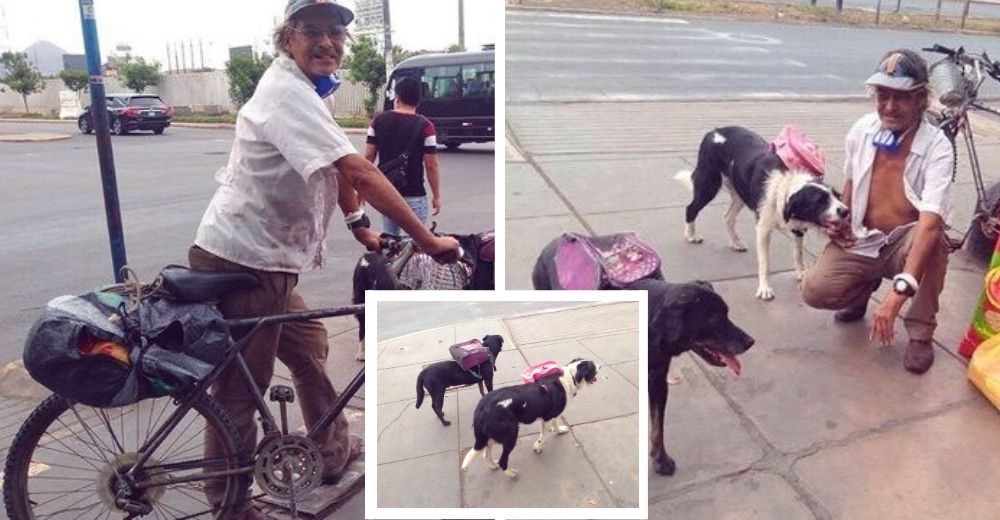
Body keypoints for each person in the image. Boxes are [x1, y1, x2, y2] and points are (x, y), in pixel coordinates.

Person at [187, 1, 459, 516]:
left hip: (267, 259)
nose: (327, 43)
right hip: (245, 261)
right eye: (313, 31)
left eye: (335, 34)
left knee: (310, 344)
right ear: (286, 37)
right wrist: (427, 239)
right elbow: (357, 170)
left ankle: (331, 453)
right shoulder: (286, 93)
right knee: (242, 389)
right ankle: (229, 504)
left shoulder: (310, 92)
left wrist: (360, 227)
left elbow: (334, 173)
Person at [800, 49, 953, 375]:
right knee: (814, 291)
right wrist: (840, 225)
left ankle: (921, 331)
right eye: (883, 96)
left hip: (905, 245)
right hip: (865, 239)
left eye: (901, 98)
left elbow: (927, 225)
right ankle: (862, 288)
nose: (889, 106)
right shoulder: (862, 130)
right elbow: (851, 183)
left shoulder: (938, 147)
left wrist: (897, 297)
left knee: (936, 239)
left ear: (921, 98)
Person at [364, 76, 442, 235]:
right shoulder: (426, 126)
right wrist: (436, 196)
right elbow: (431, 165)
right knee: (415, 245)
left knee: (390, 242)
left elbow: (368, 159)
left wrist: (362, 190)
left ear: (397, 97)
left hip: (387, 192)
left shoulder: (378, 121)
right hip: (414, 194)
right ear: (419, 101)